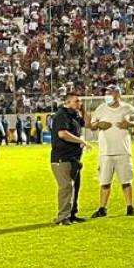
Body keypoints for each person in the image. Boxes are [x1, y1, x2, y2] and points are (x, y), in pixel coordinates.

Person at [89, 84, 134, 218]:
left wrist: (129, 124)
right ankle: (102, 208)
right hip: (105, 152)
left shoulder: (127, 108)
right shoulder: (101, 109)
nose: (107, 95)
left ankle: (130, 207)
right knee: (104, 181)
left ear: (117, 94)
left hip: (123, 150)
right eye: (106, 93)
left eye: (110, 93)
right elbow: (92, 125)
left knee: (126, 181)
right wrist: (98, 125)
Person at [50, 93, 90, 226]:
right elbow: (62, 134)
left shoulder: (75, 115)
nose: (79, 103)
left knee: (74, 187)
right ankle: (63, 217)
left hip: (73, 157)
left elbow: (87, 124)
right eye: (76, 101)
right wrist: (81, 141)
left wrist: (83, 110)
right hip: (62, 157)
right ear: (68, 102)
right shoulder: (61, 115)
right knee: (66, 186)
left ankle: (72, 214)